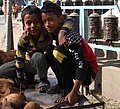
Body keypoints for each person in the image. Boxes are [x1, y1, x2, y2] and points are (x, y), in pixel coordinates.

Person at [0, 5, 74, 92]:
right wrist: (20, 79)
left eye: (37, 22)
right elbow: (20, 60)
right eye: (28, 23)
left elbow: (69, 20)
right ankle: (26, 78)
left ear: (42, 22)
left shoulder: (47, 33)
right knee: (2, 71)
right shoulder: (23, 40)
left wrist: (62, 32)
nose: (33, 26)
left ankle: (43, 81)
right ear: (24, 25)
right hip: (27, 65)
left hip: (42, 64)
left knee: (37, 56)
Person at [41, 1, 98, 106]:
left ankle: (68, 91)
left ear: (60, 19)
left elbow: (82, 64)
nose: (47, 25)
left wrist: (74, 92)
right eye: (44, 21)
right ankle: (62, 85)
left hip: (88, 72)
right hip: (77, 68)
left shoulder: (70, 36)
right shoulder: (53, 33)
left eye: (51, 20)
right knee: (48, 51)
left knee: (57, 52)